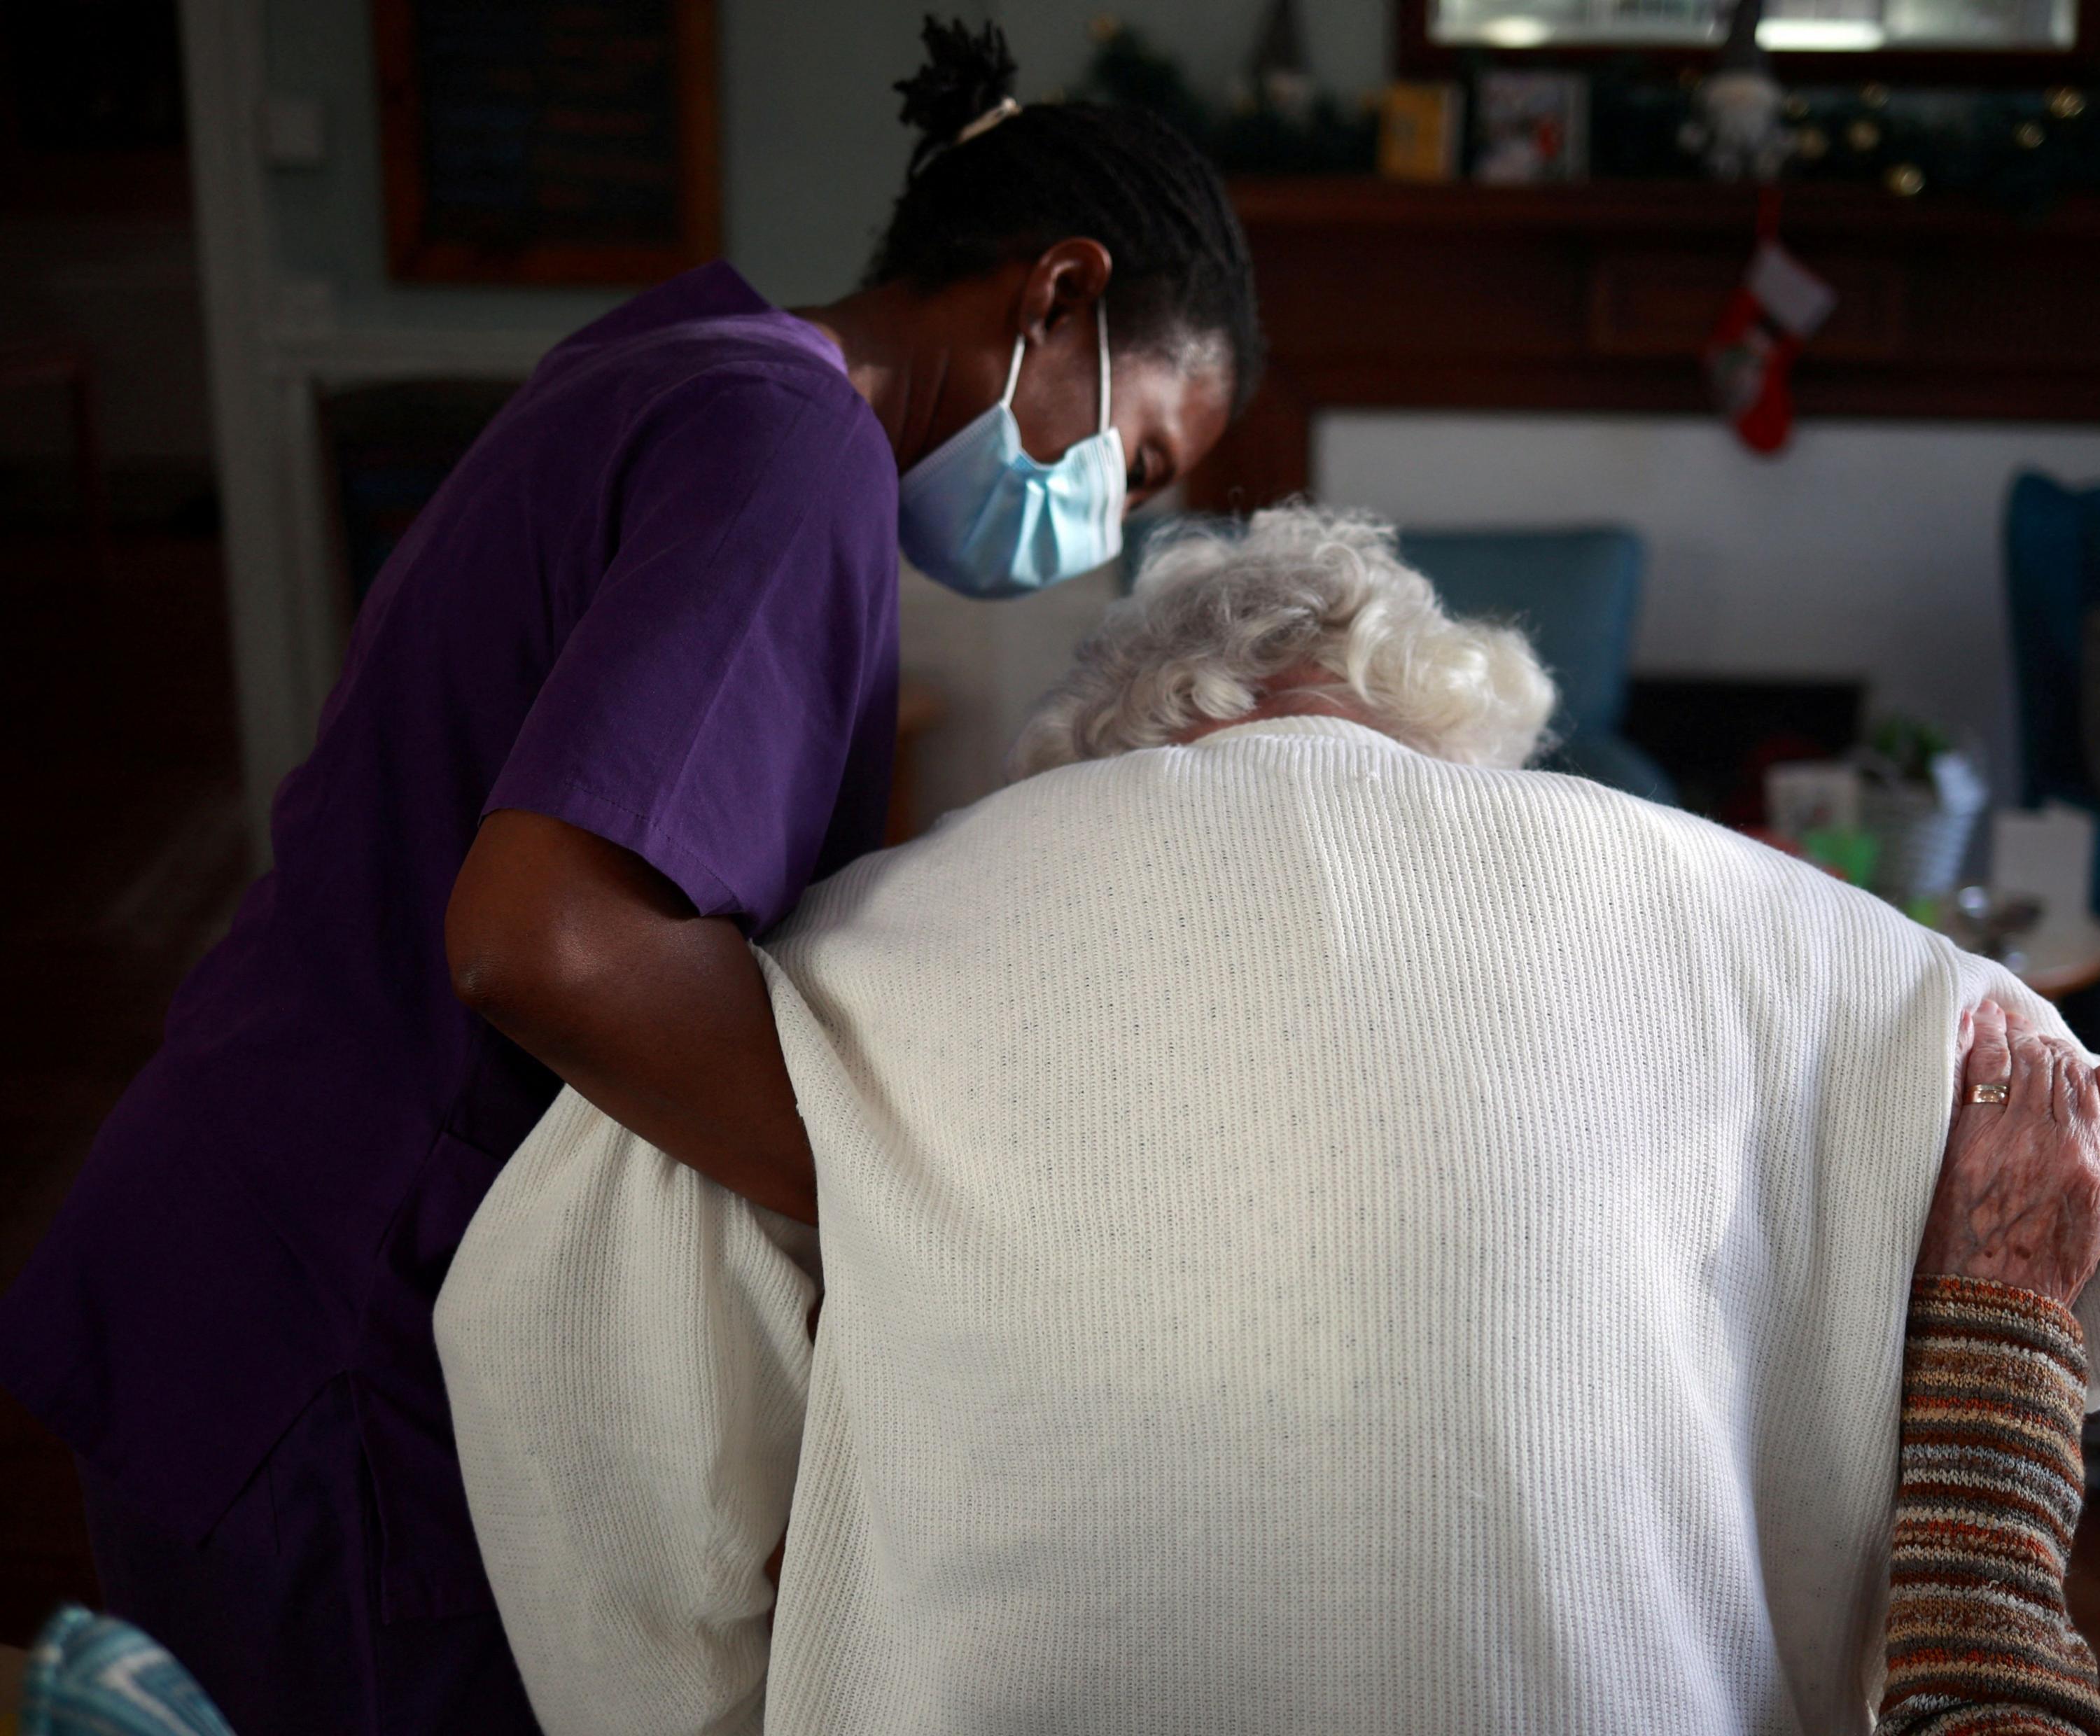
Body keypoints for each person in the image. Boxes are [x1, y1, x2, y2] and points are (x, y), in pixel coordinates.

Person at [438, 507, 2100, 1735]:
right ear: (1463, 729)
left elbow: (551, 1348)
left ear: (1118, 735)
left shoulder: (869, 930)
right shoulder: (1750, 915)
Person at [0, 20, 1259, 1731]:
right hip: (340, 1333)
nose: (1109, 516)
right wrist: (925, 1208)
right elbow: (549, 940)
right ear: (1056, 295)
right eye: (1143, 457)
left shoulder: (672, 351)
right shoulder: (790, 449)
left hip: (227, 1228)